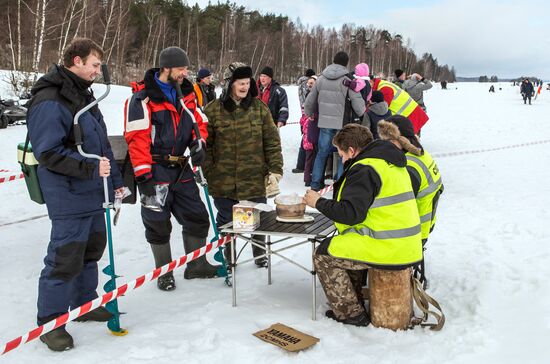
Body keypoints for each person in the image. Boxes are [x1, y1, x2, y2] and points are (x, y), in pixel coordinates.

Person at [26, 38, 124, 351]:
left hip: (92, 190)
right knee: (66, 257)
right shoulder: (52, 98)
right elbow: (48, 152)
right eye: (95, 65)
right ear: (77, 61)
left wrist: (116, 180)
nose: (99, 71)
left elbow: (101, 146)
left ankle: (84, 302)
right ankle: (51, 322)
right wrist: (89, 169)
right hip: (68, 193)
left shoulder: (83, 95)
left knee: (91, 249)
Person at [303, 124, 422, 326]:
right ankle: (355, 300)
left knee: (323, 254)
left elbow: (351, 214)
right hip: (406, 244)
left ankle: (351, 314)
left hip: (389, 247)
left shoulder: (365, 168)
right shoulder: (388, 162)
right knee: (345, 244)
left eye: (341, 154)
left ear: (351, 150)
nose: (341, 159)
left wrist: (318, 202)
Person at [125, 46, 220, 293]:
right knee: (157, 221)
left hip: (181, 168)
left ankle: (196, 264)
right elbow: (137, 138)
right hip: (155, 168)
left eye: (186, 68)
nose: (184, 73)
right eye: (180, 68)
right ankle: (164, 271)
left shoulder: (186, 95)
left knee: (197, 216)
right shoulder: (141, 99)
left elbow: (200, 123)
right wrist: (142, 174)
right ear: (166, 68)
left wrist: (199, 144)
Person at [204, 62, 283, 267]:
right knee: (226, 221)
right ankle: (228, 259)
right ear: (230, 83)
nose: (244, 87)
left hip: (254, 177)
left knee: (258, 220)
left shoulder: (259, 108)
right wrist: (207, 171)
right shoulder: (212, 110)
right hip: (223, 180)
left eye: (247, 83)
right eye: (240, 82)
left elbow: (272, 141)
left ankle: (260, 256)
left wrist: (275, 170)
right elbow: (206, 146)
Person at [377, 116, 443, 288]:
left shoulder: (409, 167)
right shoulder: (421, 154)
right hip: (425, 223)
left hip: (412, 231)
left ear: (400, 139)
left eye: (388, 140)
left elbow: (398, 205)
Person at [303, 51, 365, 191]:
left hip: (324, 123)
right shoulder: (347, 80)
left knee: (322, 152)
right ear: (346, 63)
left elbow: (310, 100)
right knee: (342, 154)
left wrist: (309, 113)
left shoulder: (321, 78)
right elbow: (357, 103)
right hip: (341, 124)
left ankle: (315, 184)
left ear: (333, 60)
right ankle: (339, 184)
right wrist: (362, 113)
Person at [293, 68, 316, 174]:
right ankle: (305, 167)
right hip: (308, 113)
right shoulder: (309, 84)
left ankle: (300, 165)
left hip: (303, 113)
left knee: (304, 140)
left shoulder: (301, 84)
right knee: (307, 142)